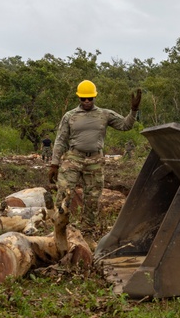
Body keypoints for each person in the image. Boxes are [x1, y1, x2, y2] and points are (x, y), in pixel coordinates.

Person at [48, 80, 141, 234]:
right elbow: (60, 140)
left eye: (89, 98)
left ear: (94, 98)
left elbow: (125, 125)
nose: (86, 101)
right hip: (73, 157)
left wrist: (134, 110)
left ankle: (87, 232)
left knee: (92, 199)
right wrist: (54, 164)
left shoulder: (104, 114)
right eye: (83, 99)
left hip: (95, 160)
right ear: (78, 98)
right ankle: (59, 229)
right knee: (64, 194)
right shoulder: (70, 116)